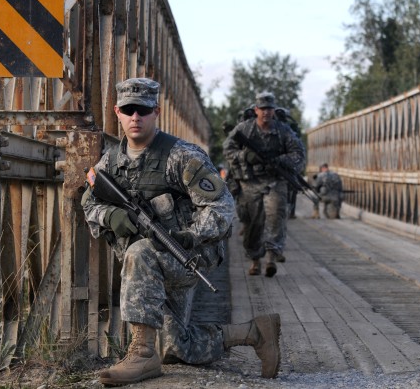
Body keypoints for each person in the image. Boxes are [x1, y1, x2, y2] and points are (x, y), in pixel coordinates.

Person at [81, 78, 281, 385]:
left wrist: (192, 235)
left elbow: (222, 207)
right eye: (128, 109)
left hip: (189, 257)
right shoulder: (111, 161)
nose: (136, 117)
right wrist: (111, 215)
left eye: (144, 110)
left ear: (157, 111)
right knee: (174, 346)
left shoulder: (182, 156)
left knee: (139, 251)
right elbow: (89, 201)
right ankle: (254, 333)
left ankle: (141, 357)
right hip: (153, 269)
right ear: (116, 112)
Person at [222, 91, 306, 277]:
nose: (266, 112)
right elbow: (228, 148)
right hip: (250, 183)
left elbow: (298, 153)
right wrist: (245, 156)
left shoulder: (284, 131)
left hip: (275, 181)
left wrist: (280, 161)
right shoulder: (245, 129)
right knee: (253, 222)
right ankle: (254, 259)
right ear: (256, 110)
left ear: (274, 111)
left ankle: (270, 258)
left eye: (270, 109)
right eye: (263, 109)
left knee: (276, 217)